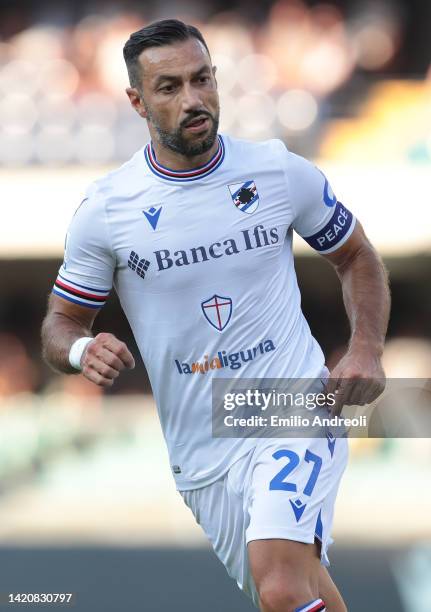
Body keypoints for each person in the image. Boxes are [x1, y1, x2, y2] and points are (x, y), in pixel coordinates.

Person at [41, 19, 390, 612]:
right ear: (137, 100)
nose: (193, 100)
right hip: (198, 445)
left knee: (279, 585)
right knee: (301, 592)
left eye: (202, 80)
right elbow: (60, 323)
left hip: (291, 401)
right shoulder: (107, 210)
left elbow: (356, 255)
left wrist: (366, 349)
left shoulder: (277, 171)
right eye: (170, 87)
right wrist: (79, 349)